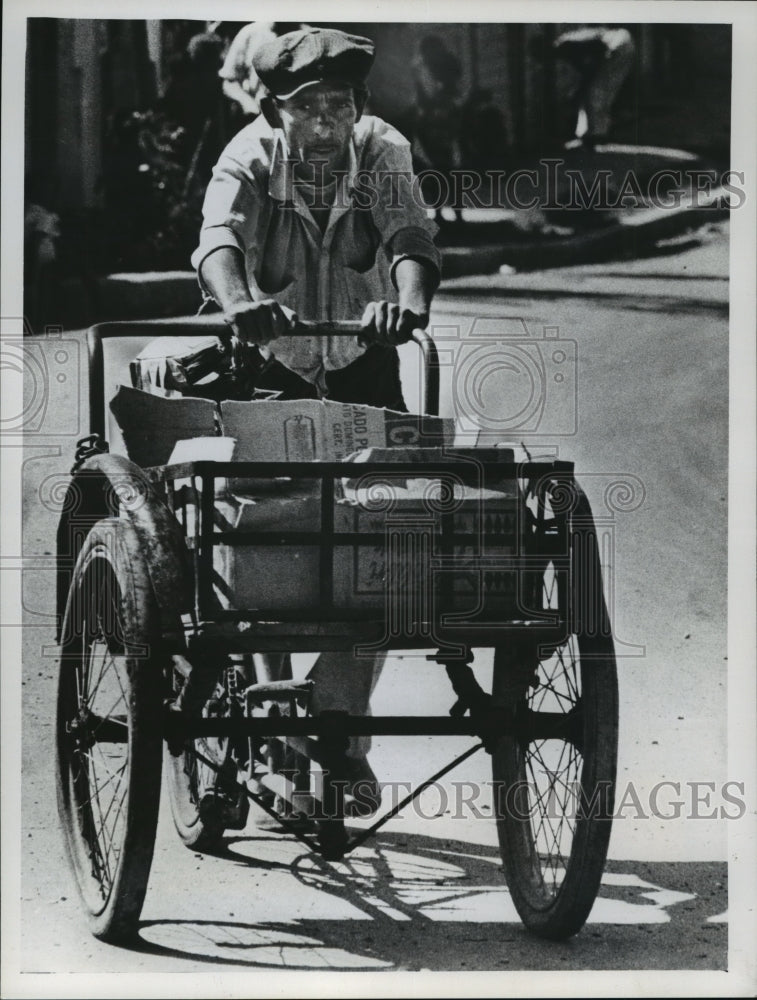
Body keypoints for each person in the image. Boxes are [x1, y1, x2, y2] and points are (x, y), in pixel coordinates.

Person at [186, 26, 441, 825]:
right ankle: (271, 718)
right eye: (306, 109)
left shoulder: (382, 149)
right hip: (270, 362)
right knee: (265, 533)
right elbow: (217, 242)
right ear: (275, 111)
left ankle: (337, 731)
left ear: (358, 107)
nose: (325, 123)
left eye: (338, 105)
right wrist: (239, 306)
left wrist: (408, 306)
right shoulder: (248, 157)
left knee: (387, 534)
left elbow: (409, 237)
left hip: (364, 360)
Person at [553, 26, 636, 148]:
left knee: (596, 93)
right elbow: (586, 68)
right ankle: (594, 133)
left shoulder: (567, 45)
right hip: (621, 42)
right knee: (597, 93)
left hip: (617, 44)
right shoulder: (566, 43)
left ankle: (595, 135)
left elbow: (596, 55)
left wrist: (584, 85)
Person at [218, 21, 304, 121]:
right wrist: (247, 102)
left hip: (298, 118)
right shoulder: (250, 33)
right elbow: (229, 81)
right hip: (257, 116)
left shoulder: (310, 36)